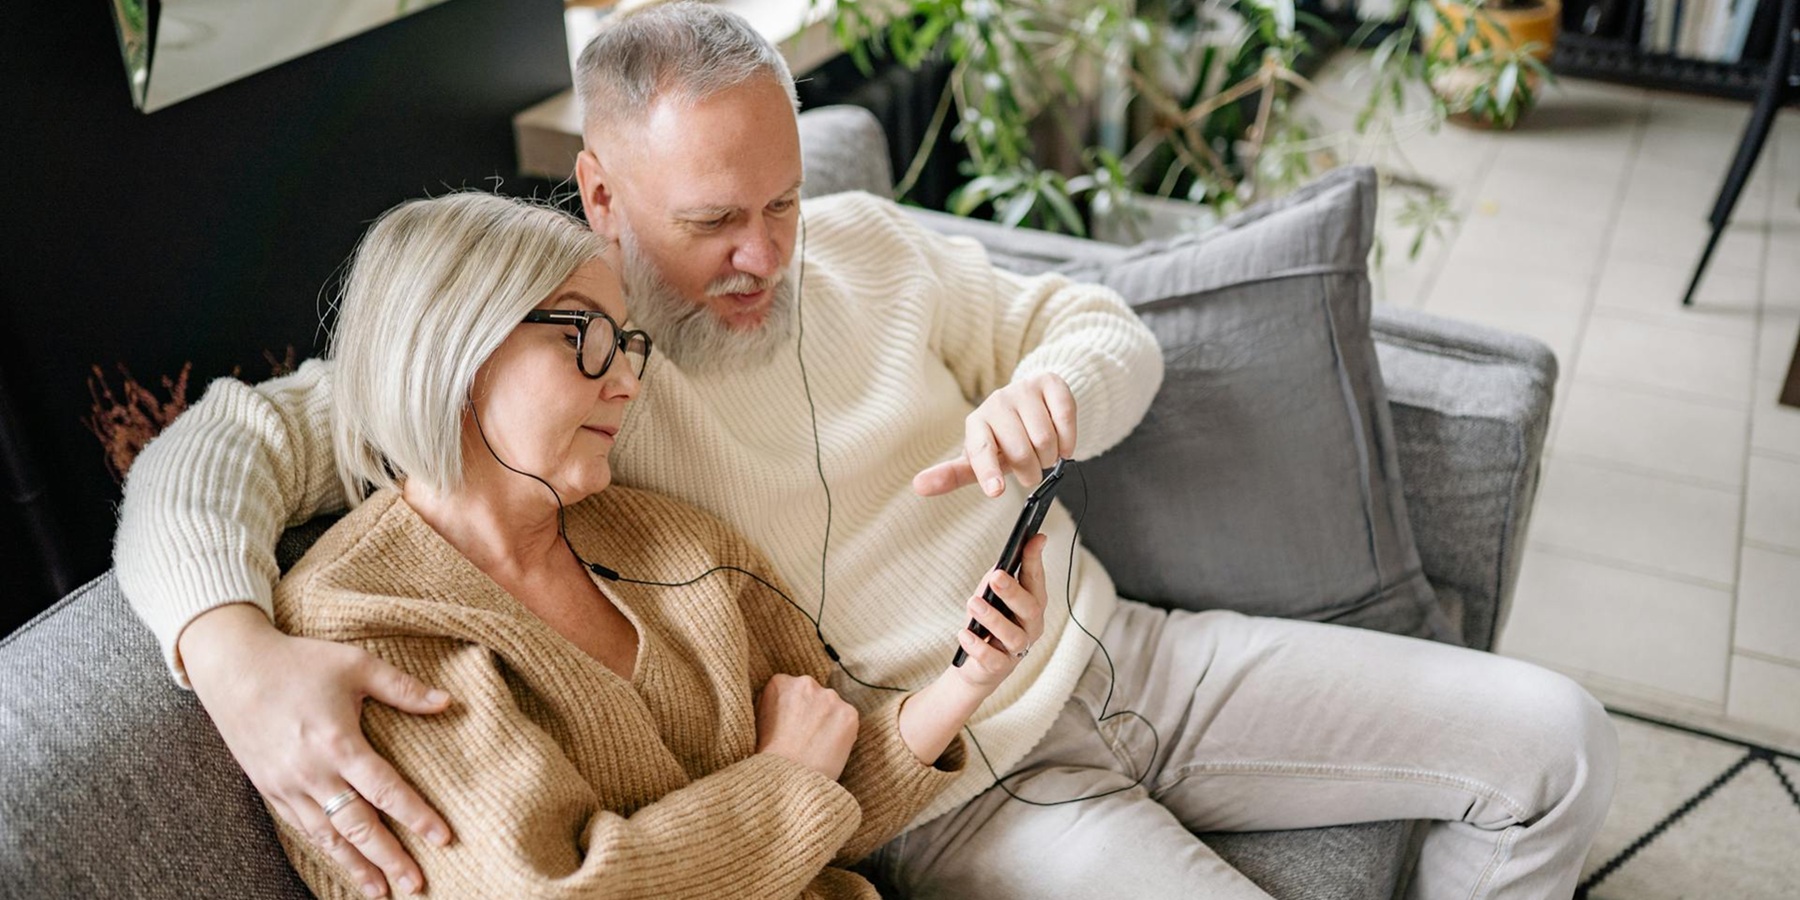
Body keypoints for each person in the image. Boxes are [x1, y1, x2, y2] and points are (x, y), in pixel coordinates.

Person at [116, 4, 1617, 899]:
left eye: (780, 198)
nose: (766, 254)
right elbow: (227, 447)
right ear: (600, 194)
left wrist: (1057, 400)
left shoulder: (866, 250)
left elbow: (1099, 328)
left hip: (1124, 656)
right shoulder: (541, 358)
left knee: (1554, 741)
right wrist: (229, 649)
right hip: (969, 785)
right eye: (715, 221)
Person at [260, 190, 1048, 899]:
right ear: (456, 350)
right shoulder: (359, 621)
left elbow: (826, 785)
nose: (627, 381)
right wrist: (781, 778)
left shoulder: (675, 541)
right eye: (585, 337)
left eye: (624, 342)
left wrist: (967, 681)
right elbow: (556, 892)